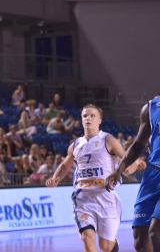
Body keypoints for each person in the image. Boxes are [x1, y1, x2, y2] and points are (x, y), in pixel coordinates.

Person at [47, 104, 144, 252]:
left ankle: (113, 243)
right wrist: (55, 178)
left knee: (106, 246)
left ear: (99, 120)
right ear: (81, 120)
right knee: (87, 238)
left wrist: (135, 164)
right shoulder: (75, 145)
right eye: (85, 116)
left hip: (106, 196)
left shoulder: (108, 140)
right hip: (82, 198)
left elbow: (126, 161)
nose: (88, 118)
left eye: (92, 115)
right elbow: (65, 166)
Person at [105, 96, 160, 252]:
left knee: (155, 232)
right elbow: (138, 145)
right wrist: (119, 170)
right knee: (140, 240)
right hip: (152, 175)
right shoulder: (151, 108)